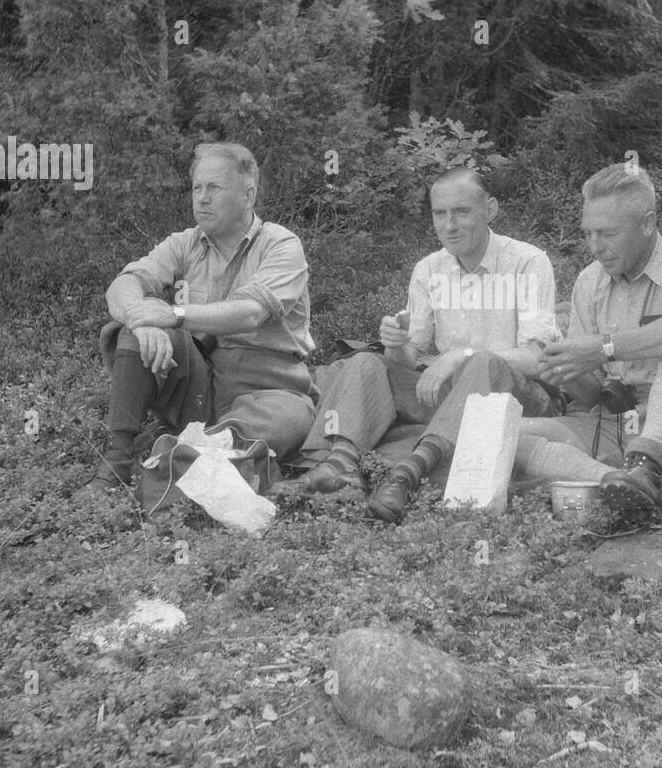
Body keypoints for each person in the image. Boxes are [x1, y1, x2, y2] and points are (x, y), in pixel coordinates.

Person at [293, 167, 560, 522]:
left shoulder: (528, 262)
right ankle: (340, 466)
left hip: (516, 396)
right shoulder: (429, 269)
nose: (449, 225)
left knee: (483, 364)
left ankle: (407, 474)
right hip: (451, 398)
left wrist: (459, 356)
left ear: (490, 210)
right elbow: (409, 359)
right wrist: (395, 343)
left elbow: (537, 356)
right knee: (366, 361)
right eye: (439, 213)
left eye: (462, 212)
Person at [76, 142, 317, 496]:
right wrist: (141, 321)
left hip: (272, 388)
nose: (201, 198)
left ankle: (189, 451)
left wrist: (173, 314)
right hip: (203, 387)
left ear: (248, 194)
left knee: (286, 420)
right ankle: (117, 460)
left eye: (214, 187)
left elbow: (251, 312)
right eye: (196, 188)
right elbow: (123, 284)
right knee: (133, 325)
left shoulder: (281, 244)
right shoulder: (185, 243)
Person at [514, 163, 662, 516]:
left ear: (648, 223)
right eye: (588, 233)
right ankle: (621, 482)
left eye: (607, 233)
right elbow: (593, 393)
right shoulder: (589, 282)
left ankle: (648, 458)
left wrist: (604, 347)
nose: (595, 246)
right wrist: (566, 369)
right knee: (506, 433)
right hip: (622, 422)